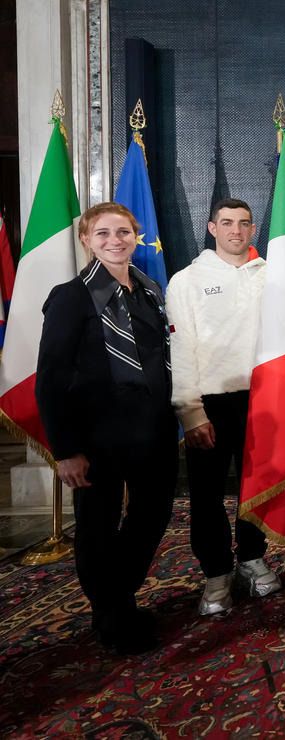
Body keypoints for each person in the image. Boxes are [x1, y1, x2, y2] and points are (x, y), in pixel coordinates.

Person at [35, 202, 176, 654]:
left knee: (153, 515)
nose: (115, 241)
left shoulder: (150, 289)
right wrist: (65, 450)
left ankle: (117, 595)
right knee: (98, 525)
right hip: (97, 436)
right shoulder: (71, 297)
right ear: (86, 240)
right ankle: (111, 616)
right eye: (103, 234)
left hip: (153, 429)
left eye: (123, 232)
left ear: (135, 237)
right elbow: (50, 378)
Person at [168, 198, 281, 616]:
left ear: (253, 229)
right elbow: (181, 348)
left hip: (263, 398)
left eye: (244, 223)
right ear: (212, 228)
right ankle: (216, 572)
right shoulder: (187, 280)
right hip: (211, 402)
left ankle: (252, 557)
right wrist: (190, 410)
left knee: (257, 485)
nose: (236, 230)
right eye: (228, 223)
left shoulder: (273, 276)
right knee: (207, 494)